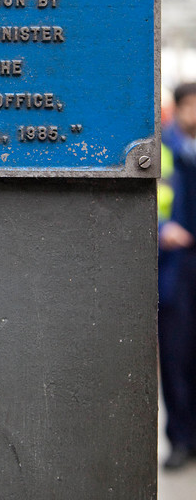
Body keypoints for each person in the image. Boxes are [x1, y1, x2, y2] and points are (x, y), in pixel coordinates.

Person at [159, 81, 196, 469]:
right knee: (175, 356)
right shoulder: (162, 150)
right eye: (189, 106)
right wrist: (159, 231)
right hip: (174, 265)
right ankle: (181, 439)